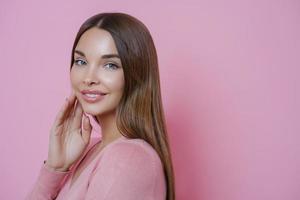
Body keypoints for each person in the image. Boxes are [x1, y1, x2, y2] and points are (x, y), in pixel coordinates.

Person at [25, 12, 175, 200]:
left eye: (110, 65)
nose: (88, 78)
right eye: (81, 61)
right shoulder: (92, 149)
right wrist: (56, 167)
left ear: (136, 75)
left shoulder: (128, 159)